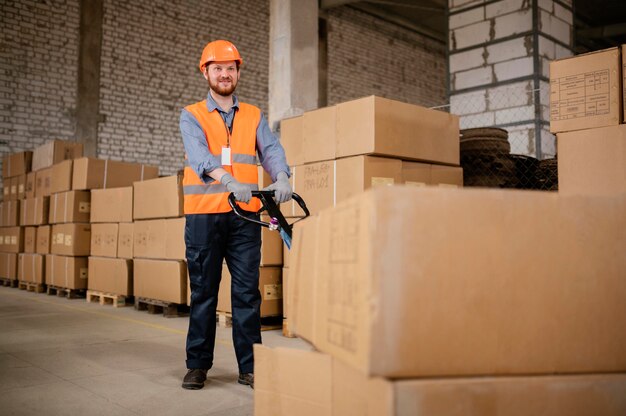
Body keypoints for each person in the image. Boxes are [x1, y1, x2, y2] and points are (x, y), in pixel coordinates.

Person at [179, 39, 292, 390]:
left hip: (245, 217)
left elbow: (270, 149)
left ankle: (251, 367)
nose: (224, 74)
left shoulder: (255, 116)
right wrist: (228, 179)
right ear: (206, 73)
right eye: (218, 69)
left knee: (246, 294)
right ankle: (198, 365)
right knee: (204, 293)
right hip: (204, 216)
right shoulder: (192, 115)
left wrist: (283, 175)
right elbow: (199, 156)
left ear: (238, 72)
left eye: (230, 68)